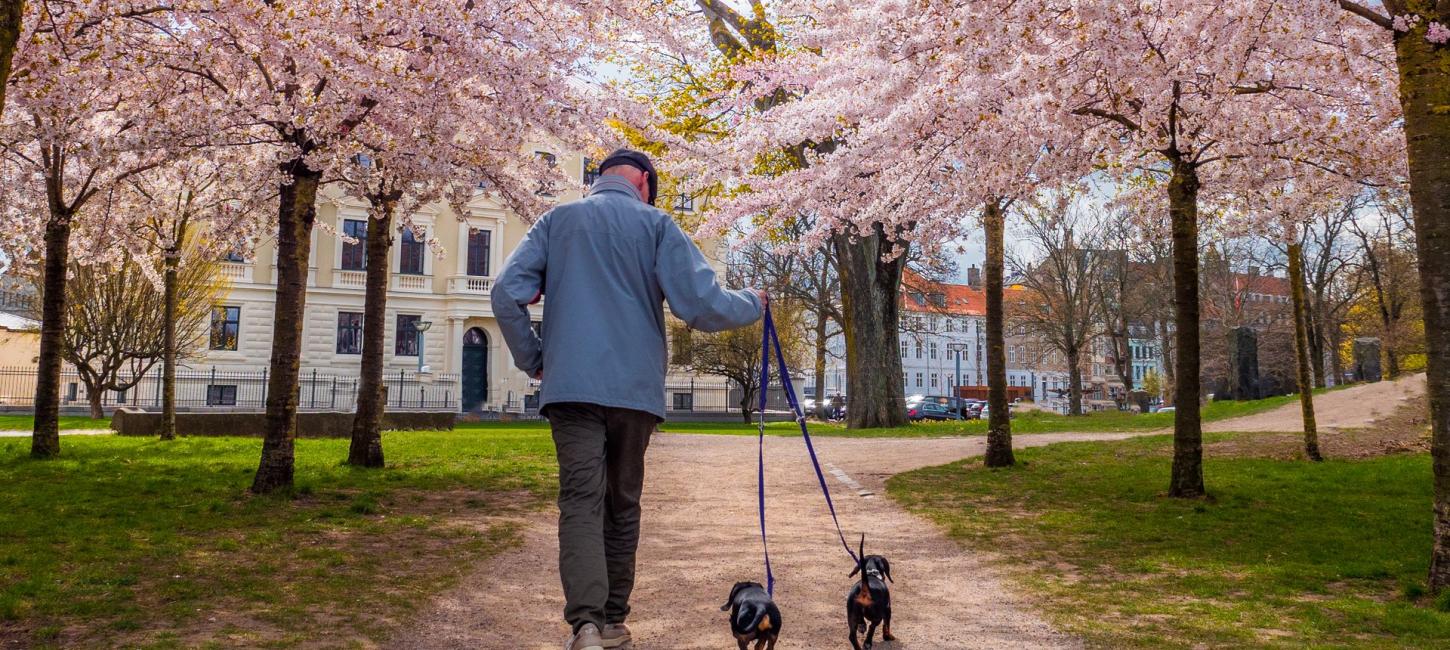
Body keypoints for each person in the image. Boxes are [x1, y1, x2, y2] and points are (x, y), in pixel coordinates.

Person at [492, 148, 766, 650]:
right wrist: (754, 304)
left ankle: (586, 626)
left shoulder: (557, 221)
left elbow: (506, 292)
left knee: (579, 501)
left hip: (570, 389)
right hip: (634, 392)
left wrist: (534, 358)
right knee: (622, 505)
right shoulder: (657, 225)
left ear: (600, 180)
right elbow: (701, 305)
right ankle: (614, 620)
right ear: (644, 181)